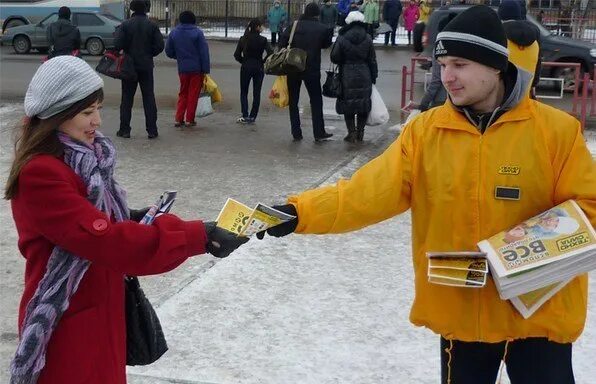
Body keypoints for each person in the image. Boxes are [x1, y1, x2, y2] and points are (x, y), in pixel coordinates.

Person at [257, 6, 596, 384]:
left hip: (539, 315)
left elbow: (589, 208)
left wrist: (514, 255)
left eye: (459, 64)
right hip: (461, 315)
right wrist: (298, 212)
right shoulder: (426, 132)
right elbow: (366, 192)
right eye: (443, 64)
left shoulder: (556, 132)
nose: (446, 77)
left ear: (496, 65)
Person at [5, 56, 248, 384]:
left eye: (98, 109)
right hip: (68, 327)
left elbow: (96, 221)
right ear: (56, 115)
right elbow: (105, 239)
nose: (97, 121)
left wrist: (133, 217)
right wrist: (198, 236)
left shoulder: (82, 160)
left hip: (99, 317)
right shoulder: (41, 174)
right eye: (87, 112)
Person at [279, 3, 333, 142]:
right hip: (312, 68)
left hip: (293, 67)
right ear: (317, 14)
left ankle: (296, 132)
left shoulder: (294, 26)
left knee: (293, 101)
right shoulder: (322, 28)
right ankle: (319, 132)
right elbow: (326, 44)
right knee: (315, 100)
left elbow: (282, 42)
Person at [114, 0, 164, 139]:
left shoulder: (125, 25)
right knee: (148, 97)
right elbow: (160, 45)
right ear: (146, 9)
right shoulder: (152, 25)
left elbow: (117, 44)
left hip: (128, 66)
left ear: (132, 9)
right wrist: (149, 53)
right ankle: (152, 130)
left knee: (127, 99)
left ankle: (124, 130)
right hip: (146, 65)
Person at [331, 11, 377, 143]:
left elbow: (334, 57)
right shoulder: (368, 37)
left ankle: (351, 132)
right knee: (363, 104)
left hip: (347, 74)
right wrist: (374, 76)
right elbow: (372, 60)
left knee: (348, 104)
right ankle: (360, 132)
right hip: (365, 73)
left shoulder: (343, 37)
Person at [165, 10, 210, 128]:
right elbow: (204, 52)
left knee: (183, 93)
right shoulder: (198, 33)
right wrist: (205, 69)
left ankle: (178, 119)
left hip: (183, 69)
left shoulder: (174, 33)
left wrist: (179, 56)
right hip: (196, 69)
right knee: (193, 94)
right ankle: (190, 119)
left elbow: (168, 51)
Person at [498, 0, 541, 97]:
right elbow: (538, 62)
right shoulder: (534, 35)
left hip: (503, 97)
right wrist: (534, 84)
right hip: (526, 94)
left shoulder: (499, 34)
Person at [234, 18, 273, 124]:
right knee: (257, 92)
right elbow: (271, 53)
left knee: (244, 91)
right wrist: (263, 62)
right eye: (261, 26)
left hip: (246, 66)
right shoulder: (263, 40)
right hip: (258, 67)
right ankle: (253, 116)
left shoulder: (243, 39)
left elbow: (236, 55)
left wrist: (244, 61)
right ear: (257, 27)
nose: (262, 28)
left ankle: (245, 115)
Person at [417, 13, 455, 111]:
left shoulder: (440, 48)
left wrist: (424, 103)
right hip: (458, 101)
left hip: (441, 100)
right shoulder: (464, 48)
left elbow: (436, 80)